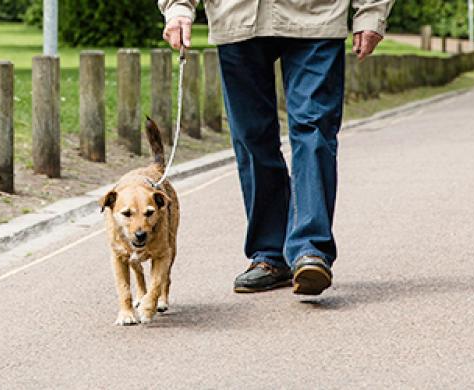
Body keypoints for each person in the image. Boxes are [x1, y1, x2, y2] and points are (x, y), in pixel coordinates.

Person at [156, 0, 392, 296]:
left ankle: (311, 250)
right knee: (251, 137)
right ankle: (271, 255)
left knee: (314, 129)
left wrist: (371, 12)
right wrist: (177, 7)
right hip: (236, 17)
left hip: (317, 17)